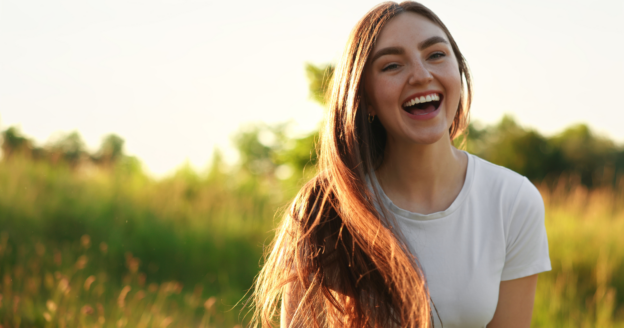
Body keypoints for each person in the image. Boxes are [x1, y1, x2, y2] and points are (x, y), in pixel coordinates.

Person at [250, 1, 551, 327]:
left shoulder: (513, 200)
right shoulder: (322, 211)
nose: (422, 76)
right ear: (365, 99)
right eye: (392, 65)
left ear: (459, 72)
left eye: (436, 55)